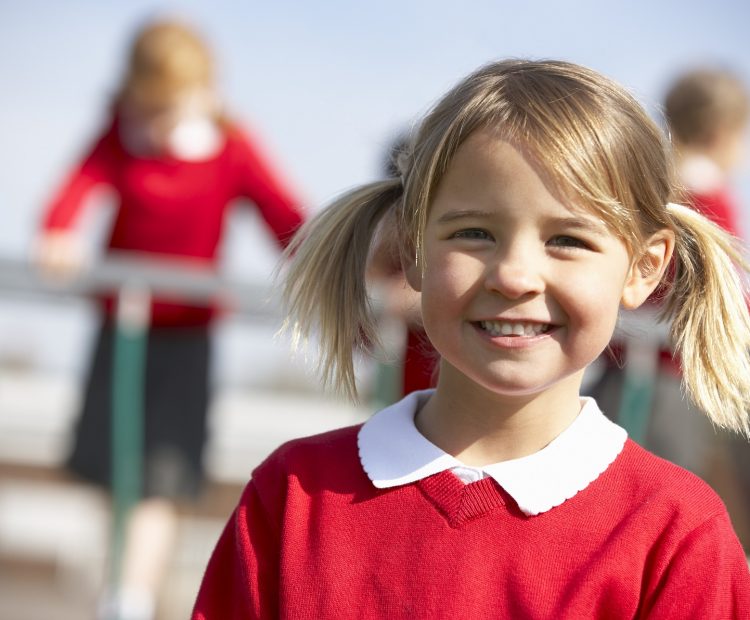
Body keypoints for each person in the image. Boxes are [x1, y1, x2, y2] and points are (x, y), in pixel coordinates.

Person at [192, 60, 750, 619]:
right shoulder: (291, 498)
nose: (514, 275)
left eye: (567, 240)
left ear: (644, 269)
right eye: (474, 233)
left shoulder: (676, 534)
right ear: (412, 249)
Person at [35, 18, 304, 620]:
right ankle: (115, 579)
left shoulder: (229, 146)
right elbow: (71, 196)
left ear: (201, 93)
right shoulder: (118, 138)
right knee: (113, 469)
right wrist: (58, 234)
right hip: (122, 329)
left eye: (168, 108)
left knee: (160, 473)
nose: (156, 125)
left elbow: (285, 217)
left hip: (186, 336)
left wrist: (323, 262)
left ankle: (129, 600)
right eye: (146, 108)